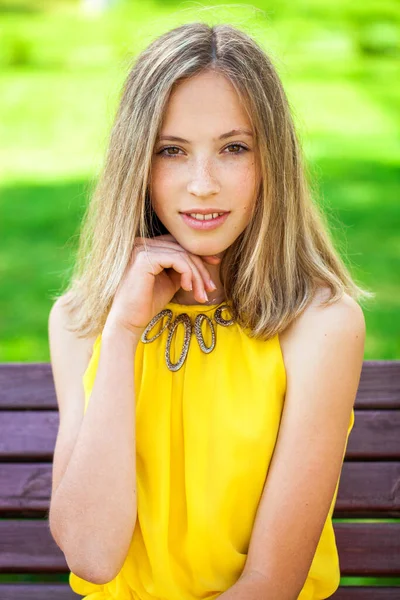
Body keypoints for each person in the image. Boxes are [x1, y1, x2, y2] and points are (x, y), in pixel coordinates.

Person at [47, 21, 373, 600]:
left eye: (234, 148)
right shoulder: (83, 321)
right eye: (171, 151)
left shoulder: (320, 326)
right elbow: (93, 556)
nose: (203, 185)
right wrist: (122, 331)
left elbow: (271, 582)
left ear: (273, 159)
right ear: (136, 167)